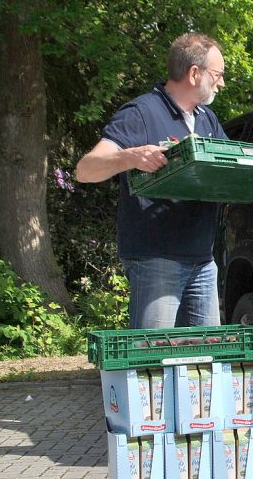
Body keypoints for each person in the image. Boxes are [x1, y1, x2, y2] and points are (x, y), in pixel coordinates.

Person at [76, 33, 228, 329]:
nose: (221, 83)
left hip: (203, 261)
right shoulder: (142, 113)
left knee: (205, 365)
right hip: (156, 259)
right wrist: (130, 157)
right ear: (194, 74)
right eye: (217, 75)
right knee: (154, 362)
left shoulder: (208, 120)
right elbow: (85, 169)